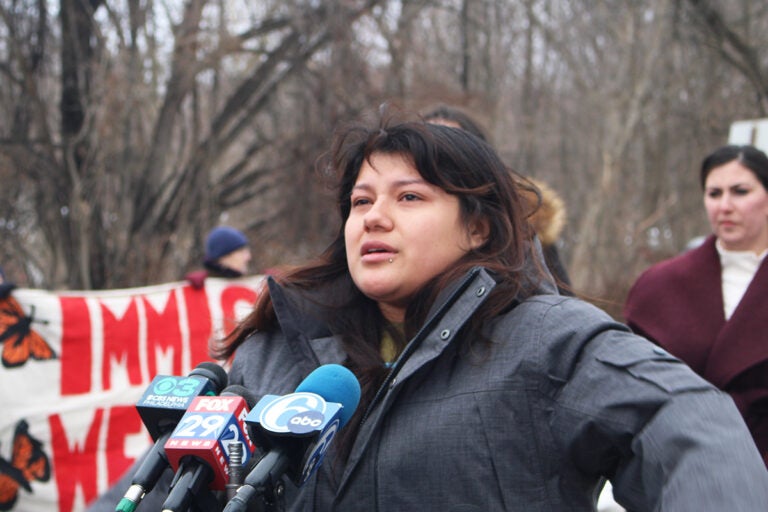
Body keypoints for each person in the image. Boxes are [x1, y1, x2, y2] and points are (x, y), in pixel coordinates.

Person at [87, 113, 768, 512]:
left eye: (409, 197)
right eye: (361, 201)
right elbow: (159, 485)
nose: (374, 217)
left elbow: (691, 430)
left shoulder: (553, 341)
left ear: (478, 226)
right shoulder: (274, 351)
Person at [624, 144, 768, 467]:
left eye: (740, 191)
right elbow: (630, 390)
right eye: (714, 193)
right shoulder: (659, 286)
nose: (725, 206)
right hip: (679, 464)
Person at [423, 104, 573, 295]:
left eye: (449, 150)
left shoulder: (524, 231)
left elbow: (561, 305)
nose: (434, 163)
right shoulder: (390, 225)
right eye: (424, 148)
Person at [185, 225, 252, 288]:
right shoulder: (204, 287)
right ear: (224, 256)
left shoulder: (247, 285)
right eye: (241, 252)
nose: (248, 257)